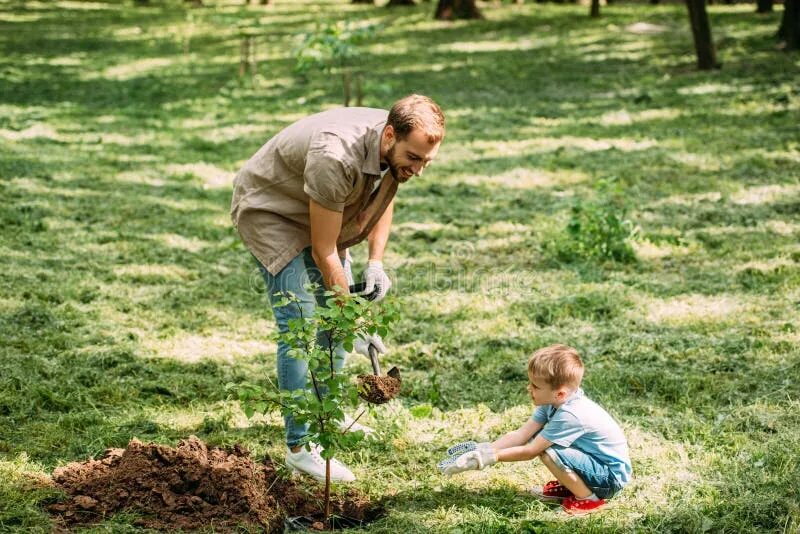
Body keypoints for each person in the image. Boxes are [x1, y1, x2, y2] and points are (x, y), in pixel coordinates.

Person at [231, 95, 445, 482]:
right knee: (301, 322)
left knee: (335, 316)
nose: (419, 169)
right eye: (414, 158)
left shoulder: (398, 143)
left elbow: (384, 196)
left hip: (322, 208)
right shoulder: (337, 156)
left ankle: (329, 415)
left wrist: (375, 261)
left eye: (427, 161)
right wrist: (356, 323)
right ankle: (300, 446)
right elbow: (324, 249)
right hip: (273, 212)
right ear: (390, 135)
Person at [438, 344, 631, 515]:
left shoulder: (570, 414)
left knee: (547, 449)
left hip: (610, 478)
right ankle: (574, 486)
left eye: (536, 386)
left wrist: (488, 459)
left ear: (560, 393)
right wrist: (485, 449)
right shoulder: (553, 401)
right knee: (541, 438)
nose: (529, 388)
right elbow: (522, 435)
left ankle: (589, 500)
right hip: (595, 465)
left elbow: (531, 451)